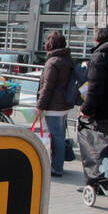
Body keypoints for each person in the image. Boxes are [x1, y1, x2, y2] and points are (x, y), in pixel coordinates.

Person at [35, 30, 76, 177]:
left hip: (54, 105)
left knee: (55, 137)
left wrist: (40, 106)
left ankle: (56, 167)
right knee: (59, 135)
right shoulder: (67, 60)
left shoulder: (52, 63)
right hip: (64, 104)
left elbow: (47, 86)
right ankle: (58, 164)